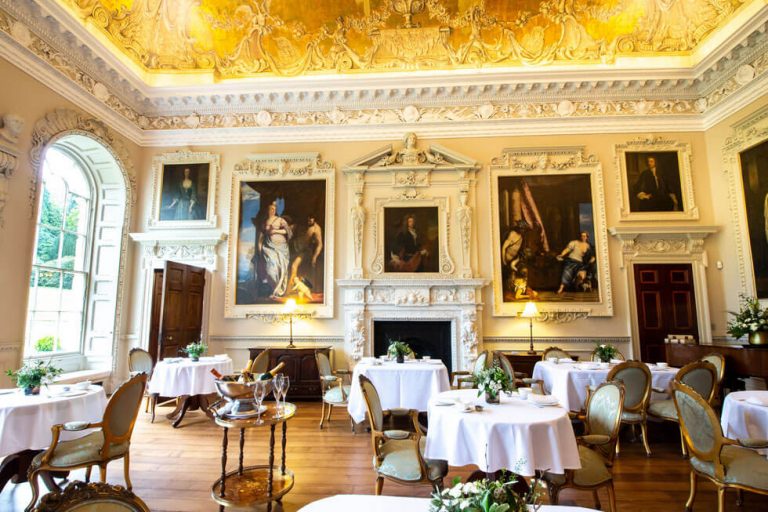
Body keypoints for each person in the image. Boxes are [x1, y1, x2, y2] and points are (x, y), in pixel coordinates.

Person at [256, 200, 292, 299]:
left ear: (276, 210)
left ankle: (277, 292)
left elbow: (288, 231)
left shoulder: (280, 220)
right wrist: (260, 249)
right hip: (269, 247)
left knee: (282, 269)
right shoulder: (264, 222)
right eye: (270, 209)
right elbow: (261, 237)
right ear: (267, 210)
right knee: (270, 269)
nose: (272, 210)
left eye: (274, 209)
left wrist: (275, 230)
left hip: (282, 248)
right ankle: (275, 288)